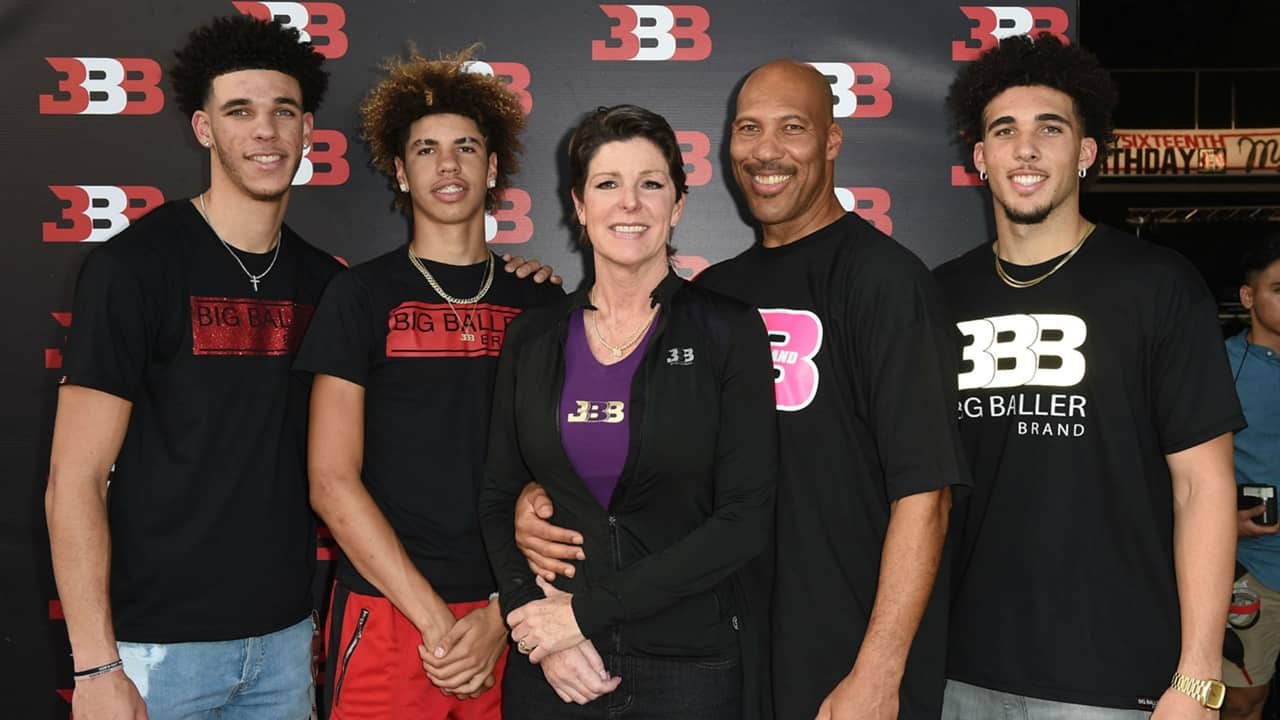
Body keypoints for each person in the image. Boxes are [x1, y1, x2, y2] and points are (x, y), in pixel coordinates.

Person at [512, 62, 967, 720]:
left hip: (849, 656)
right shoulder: (713, 298)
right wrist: (541, 493)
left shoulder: (886, 283)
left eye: (792, 128)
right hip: (726, 652)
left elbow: (927, 496)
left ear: (832, 141)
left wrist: (879, 670)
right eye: (749, 128)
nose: (766, 150)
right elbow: (631, 446)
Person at [937, 33, 1243, 719]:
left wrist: (1197, 678)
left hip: (1116, 679)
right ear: (980, 159)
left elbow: (1203, 485)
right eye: (1004, 131)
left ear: (1085, 152)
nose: (1026, 149)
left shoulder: (1157, 285)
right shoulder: (940, 296)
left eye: (1050, 129)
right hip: (960, 673)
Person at [45, 15, 337, 720]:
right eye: (240, 111)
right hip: (155, 654)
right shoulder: (132, 267)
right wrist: (96, 666)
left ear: (305, 131)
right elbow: (73, 479)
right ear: (205, 129)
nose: (265, 132)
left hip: (286, 644)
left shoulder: (328, 284)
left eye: (283, 112)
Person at [478, 104, 778, 719]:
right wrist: (534, 627)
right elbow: (496, 497)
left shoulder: (728, 331)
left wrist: (583, 614)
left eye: (651, 184)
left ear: (679, 205)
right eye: (608, 184)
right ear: (579, 207)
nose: (630, 203)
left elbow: (746, 518)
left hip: (687, 670)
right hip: (554, 668)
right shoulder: (532, 339)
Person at [293, 51, 562, 720]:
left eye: (466, 147)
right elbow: (330, 480)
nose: (448, 165)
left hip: (520, 618)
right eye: (426, 149)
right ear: (400, 171)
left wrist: (504, 613)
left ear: (492, 168)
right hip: (390, 612)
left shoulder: (545, 307)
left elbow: (569, 474)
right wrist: (436, 621)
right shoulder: (357, 295)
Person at [1222, 236, 1280, 720]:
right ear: (1248, 298)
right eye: (1279, 289)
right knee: (1243, 700)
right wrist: (1227, 524)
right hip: (1256, 568)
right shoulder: (1218, 368)